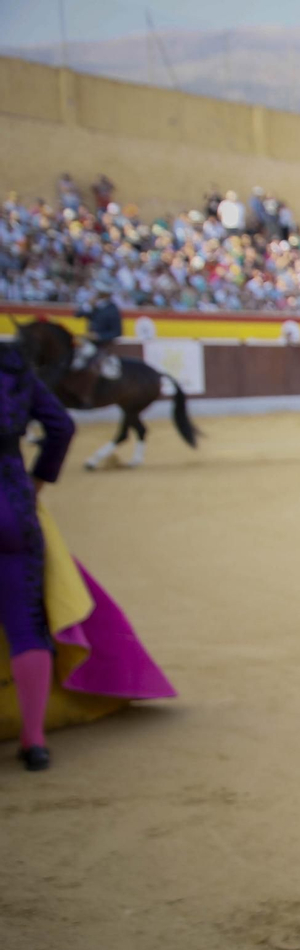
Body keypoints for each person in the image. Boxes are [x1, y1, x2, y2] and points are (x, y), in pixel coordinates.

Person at [0, 342, 75, 770]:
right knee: (27, 625)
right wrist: (38, 482)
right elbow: (61, 425)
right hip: (11, 499)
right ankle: (33, 739)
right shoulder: (13, 363)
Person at [70, 282, 124, 407]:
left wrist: (98, 336)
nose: (96, 294)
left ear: (105, 294)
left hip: (102, 344)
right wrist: (88, 305)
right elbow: (77, 315)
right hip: (88, 342)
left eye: (99, 292)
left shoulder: (113, 309)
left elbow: (117, 332)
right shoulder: (94, 306)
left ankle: (87, 395)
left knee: (91, 364)